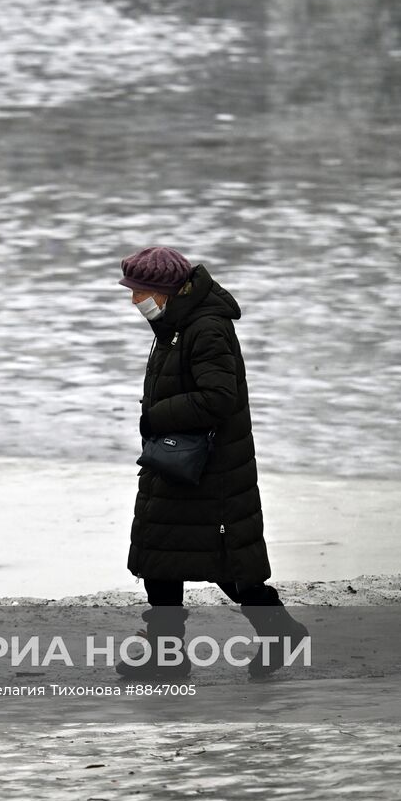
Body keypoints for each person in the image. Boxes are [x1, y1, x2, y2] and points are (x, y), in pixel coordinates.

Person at [115, 245, 307, 681]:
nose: (134, 301)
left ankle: (278, 630)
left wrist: (155, 415)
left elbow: (220, 398)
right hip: (179, 459)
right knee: (160, 554)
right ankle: (166, 655)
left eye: (141, 292)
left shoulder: (206, 328)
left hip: (210, 468)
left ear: (168, 290)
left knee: (225, 561)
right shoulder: (174, 324)